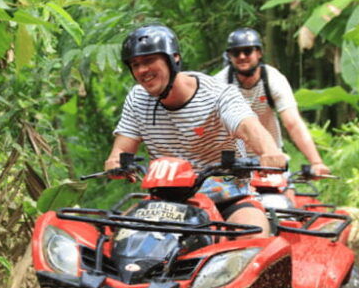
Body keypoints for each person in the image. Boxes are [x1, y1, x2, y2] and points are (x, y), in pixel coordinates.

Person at [104, 24, 286, 238]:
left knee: (255, 238)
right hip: (165, 202)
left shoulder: (218, 94)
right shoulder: (137, 99)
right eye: (135, 64)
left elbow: (247, 126)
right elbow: (121, 151)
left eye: (149, 61)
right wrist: (115, 162)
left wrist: (269, 152)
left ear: (174, 59)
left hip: (228, 197)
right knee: (114, 239)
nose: (142, 70)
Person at [215, 28, 330, 176]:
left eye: (247, 51)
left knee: (285, 194)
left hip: (272, 156)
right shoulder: (219, 83)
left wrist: (316, 162)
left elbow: (293, 123)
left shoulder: (273, 79)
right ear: (229, 56)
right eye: (236, 53)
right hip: (233, 161)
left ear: (259, 53)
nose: (242, 56)